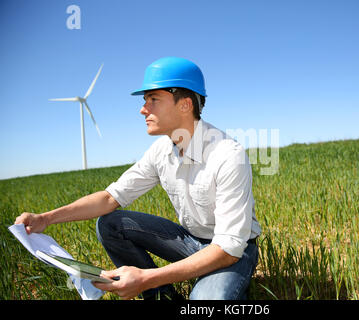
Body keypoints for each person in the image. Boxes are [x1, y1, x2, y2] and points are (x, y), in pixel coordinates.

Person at [14, 57, 261, 300]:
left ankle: (211, 282)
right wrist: (46, 218)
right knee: (110, 223)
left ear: (185, 105)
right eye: (145, 101)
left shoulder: (228, 154)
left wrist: (145, 277)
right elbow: (109, 198)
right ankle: (161, 296)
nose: (142, 109)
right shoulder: (161, 151)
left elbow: (228, 249)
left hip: (231, 251)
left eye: (153, 99)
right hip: (191, 241)